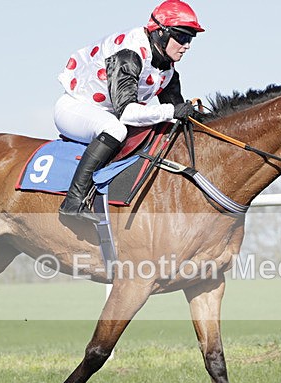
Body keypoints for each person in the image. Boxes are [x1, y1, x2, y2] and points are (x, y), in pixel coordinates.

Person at [54, 0, 204, 222]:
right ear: (161, 33)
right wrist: (171, 111)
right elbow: (127, 113)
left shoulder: (167, 68)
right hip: (75, 108)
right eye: (182, 37)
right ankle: (73, 201)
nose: (187, 45)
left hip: (106, 113)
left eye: (191, 39)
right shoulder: (129, 54)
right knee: (115, 128)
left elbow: (178, 115)